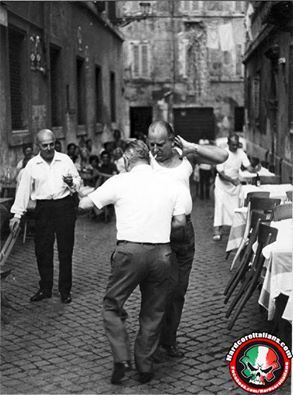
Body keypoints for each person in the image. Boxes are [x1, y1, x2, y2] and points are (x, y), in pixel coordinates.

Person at [79, 139, 187, 385]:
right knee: (153, 311)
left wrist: (81, 190)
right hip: (162, 253)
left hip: (129, 253)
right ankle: (145, 366)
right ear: (148, 157)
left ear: (127, 160)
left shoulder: (119, 181)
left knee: (111, 305)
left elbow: (86, 205)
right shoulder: (170, 182)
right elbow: (180, 223)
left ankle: (121, 357)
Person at [147, 120, 228, 358]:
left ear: (173, 140)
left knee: (178, 290)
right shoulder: (146, 161)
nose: (154, 149)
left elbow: (222, 156)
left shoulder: (186, 158)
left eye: (160, 144)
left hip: (184, 233)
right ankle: (151, 342)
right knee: (156, 289)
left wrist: (192, 147)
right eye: (151, 144)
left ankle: (168, 339)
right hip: (155, 230)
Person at [10, 129, 81, 304]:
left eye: (51, 144)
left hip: (64, 206)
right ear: (38, 146)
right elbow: (23, 191)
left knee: (65, 250)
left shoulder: (65, 160)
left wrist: (73, 183)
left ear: (55, 142)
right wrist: (17, 215)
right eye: (45, 145)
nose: (49, 148)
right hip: (43, 209)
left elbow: (78, 181)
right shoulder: (32, 165)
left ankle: (65, 291)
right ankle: (45, 288)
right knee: (43, 250)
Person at [213, 134, 254, 240]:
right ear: (228, 144)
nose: (235, 147)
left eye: (237, 145)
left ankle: (236, 231)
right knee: (220, 207)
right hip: (222, 185)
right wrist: (231, 180)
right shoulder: (223, 154)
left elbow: (248, 166)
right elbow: (220, 172)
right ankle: (217, 230)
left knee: (235, 208)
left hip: (235, 186)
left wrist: (254, 170)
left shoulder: (241, 153)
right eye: (233, 145)